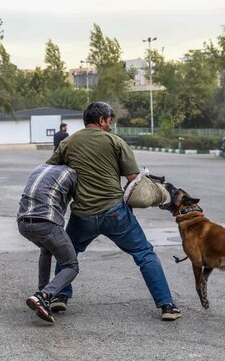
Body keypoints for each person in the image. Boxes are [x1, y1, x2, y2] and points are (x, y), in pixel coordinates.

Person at [47, 102, 181, 321]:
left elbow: (52, 170)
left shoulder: (68, 142)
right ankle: (167, 305)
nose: (111, 126)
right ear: (102, 120)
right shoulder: (115, 141)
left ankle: (59, 296)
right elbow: (134, 180)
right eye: (110, 121)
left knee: (67, 254)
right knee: (144, 254)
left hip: (82, 214)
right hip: (115, 213)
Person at [17, 163, 78, 323]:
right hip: (46, 223)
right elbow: (80, 201)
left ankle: (41, 296)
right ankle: (43, 296)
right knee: (71, 265)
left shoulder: (39, 168)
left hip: (23, 223)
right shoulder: (71, 173)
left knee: (46, 249)